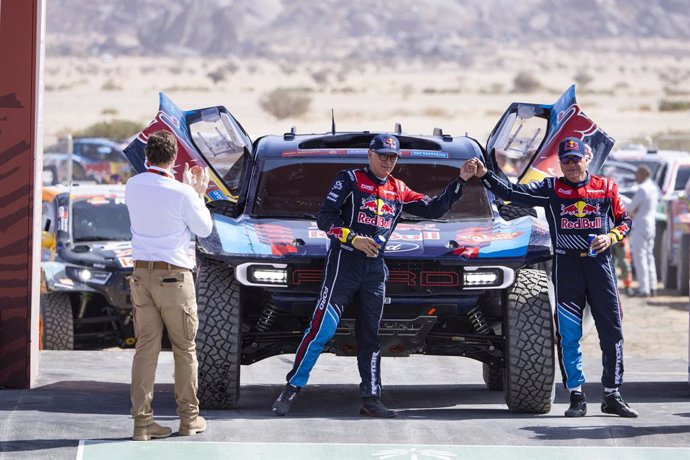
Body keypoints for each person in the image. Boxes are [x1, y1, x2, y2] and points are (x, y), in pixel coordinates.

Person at [272, 133, 476, 418]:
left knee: (370, 336)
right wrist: (352, 238)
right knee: (322, 329)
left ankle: (371, 399)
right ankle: (291, 388)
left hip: (375, 268)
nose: (387, 161)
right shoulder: (349, 179)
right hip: (344, 263)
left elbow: (435, 208)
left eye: (392, 157)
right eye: (382, 155)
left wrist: (461, 181)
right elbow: (325, 218)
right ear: (370, 155)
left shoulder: (399, 188)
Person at [465, 137, 639, 418]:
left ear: (587, 159)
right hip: (567, 268)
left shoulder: (606, 187)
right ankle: (577, 395)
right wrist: (486, 175)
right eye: (565, 159)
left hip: (600, 268)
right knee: (569, 335)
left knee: (613, 332)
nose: (571, 164)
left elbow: (625, 221)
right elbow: (512, 191)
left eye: (576, 158)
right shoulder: (552, 188)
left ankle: (612, 394)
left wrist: (611, 236)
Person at [125, 130, 212, 440]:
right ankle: (189, 419)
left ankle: (142, 424)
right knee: (185, 350)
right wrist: (197, 194)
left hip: (140, 276)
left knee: (145, 351)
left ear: (148, 156)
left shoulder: (132, 186)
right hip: (174, 278)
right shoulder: (182, 193)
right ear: (174, 160)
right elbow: (204, 228)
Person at [627, 165, 660, 297]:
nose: (635, 177)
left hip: (641, 224)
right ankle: (653, 287)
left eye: (637, 174)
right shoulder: (653, 187)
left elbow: (630, 207)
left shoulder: (642, 189)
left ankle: (644, 289)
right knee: (649, 256)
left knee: (640, 257)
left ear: (642, 175)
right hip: (651, 224)